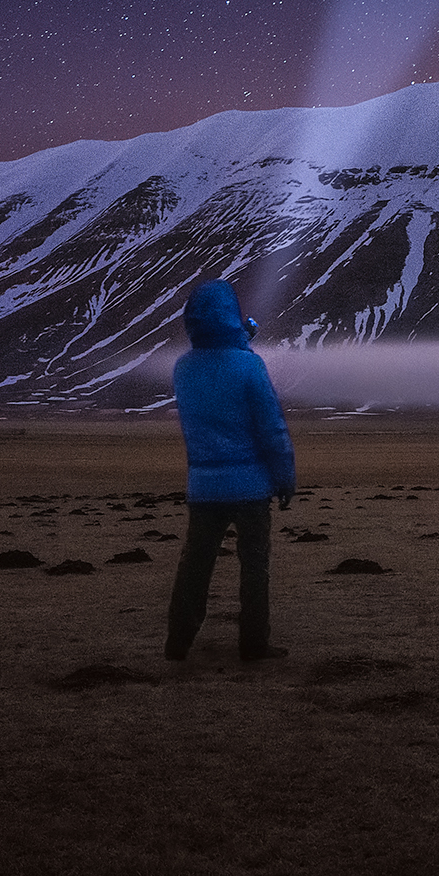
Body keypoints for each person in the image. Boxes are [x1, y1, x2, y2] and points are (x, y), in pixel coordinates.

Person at [164, 280, 296, 662]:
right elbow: (270, 428)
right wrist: (284, 477)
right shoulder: (249, 364)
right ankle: (254, 644)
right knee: (254, 567)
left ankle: (178, 641)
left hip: (203, 485)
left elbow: (214, 387)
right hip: (250, 485)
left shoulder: (183, 369)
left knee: (195, 566)